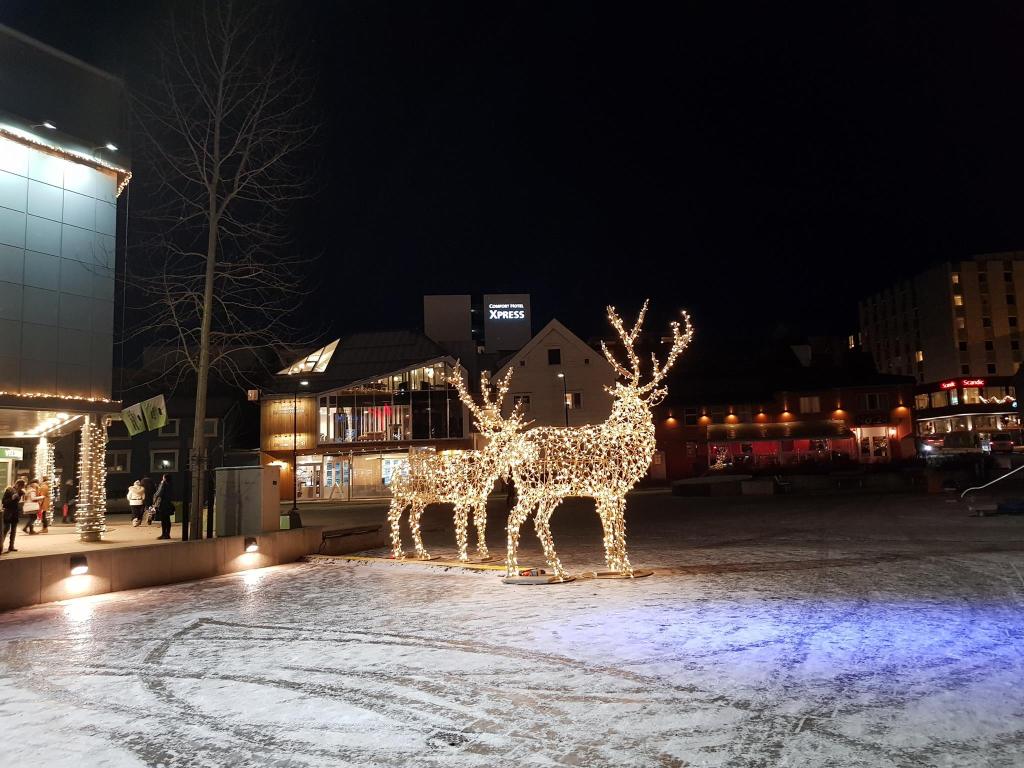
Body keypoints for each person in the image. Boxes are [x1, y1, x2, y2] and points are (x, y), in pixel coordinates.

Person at [2, 480, 25, 553]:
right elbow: (4, 502)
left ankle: (11, 546)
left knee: (13, 530)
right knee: (6, 529)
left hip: (15, 512)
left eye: (22, 487)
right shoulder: (9, 490)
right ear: (17, 484)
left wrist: (20, 496)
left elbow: (17, 502)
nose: (21, 488)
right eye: (20, 486)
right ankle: (0, 545)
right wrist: (12, 498)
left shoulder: (20, 492)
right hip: (8, 512)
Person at [153, 473, 174, 540]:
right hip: (168, 503)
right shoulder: (170, 484)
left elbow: (159, 493)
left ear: (164, 478)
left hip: (163, 504)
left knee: (164, 520)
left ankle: (163, 534)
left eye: (163, 477)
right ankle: (167, 534)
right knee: (167, 519)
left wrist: (154, 499)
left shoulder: (163, 484)